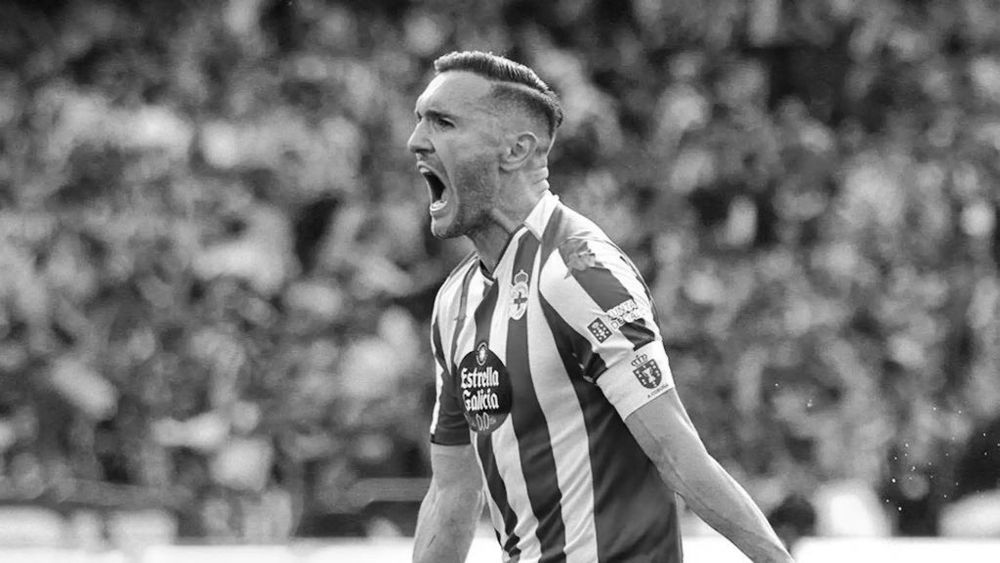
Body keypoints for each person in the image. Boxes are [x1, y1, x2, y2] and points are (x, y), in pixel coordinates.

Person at [407, 50, 794, 563]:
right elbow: (452, 490)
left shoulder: (578, 273)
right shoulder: (456, 301)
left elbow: (677, 455)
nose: (416, 140)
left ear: (517, 150)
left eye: (443, 123)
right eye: (420, 120)